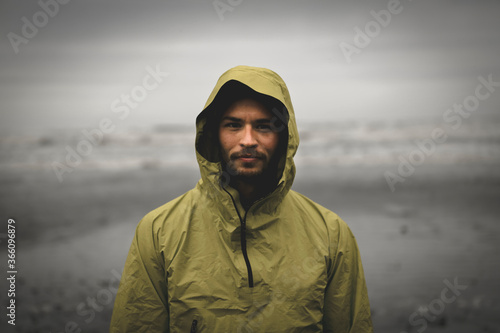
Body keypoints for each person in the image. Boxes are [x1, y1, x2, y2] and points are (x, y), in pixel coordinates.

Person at [110, 65, 374, 332]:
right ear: (214, 134)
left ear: (284, 137)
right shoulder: (158, 231)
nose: (248, 140)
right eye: (234, 125)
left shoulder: (331, 234)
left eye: (263, 126)